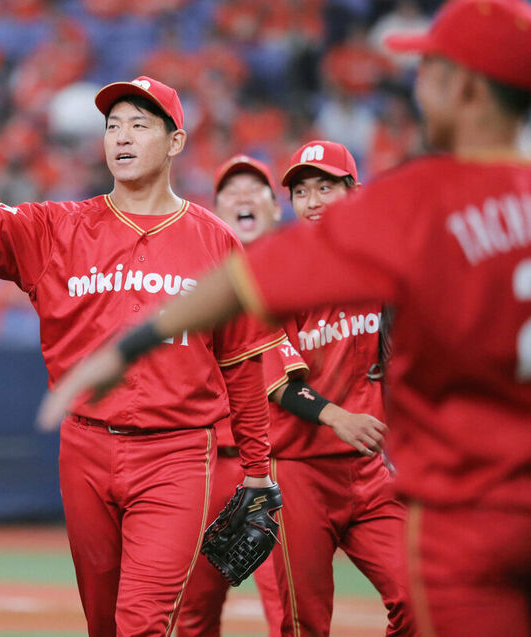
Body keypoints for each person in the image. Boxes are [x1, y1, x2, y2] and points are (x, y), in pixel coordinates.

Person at [40, 0, 531, 635]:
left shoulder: (416, 201)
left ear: (463, 85)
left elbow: (242, 282)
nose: (417, 84)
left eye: (430, 69)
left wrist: (128, 345)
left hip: (465, 518)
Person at [0, 40, 284, 636]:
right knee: (104, 624)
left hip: (177, 456)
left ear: (176, 142)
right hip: (84, 449)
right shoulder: (56, 228)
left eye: (141, 124)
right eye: (113, 125)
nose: (124, 137)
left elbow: (242, 363)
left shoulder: (215, 243)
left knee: (143, 623)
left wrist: (259, 472)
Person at [264, 141, 412, 636]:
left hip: (372, 474)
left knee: (422, 601)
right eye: (301, 191)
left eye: (326, 187)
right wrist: (338, 417)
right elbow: (277, 379)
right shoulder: (279, 274)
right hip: (301, 472)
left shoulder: (385, 271)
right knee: (306, 624)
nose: (312, 201)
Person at [176, 155, 286, 637]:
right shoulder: (199, 284)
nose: (243, 196)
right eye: (230, 191)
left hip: (290, 464)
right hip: (213, 460)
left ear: (276, 208)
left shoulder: (313, 275)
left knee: (291, 609)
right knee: (194, 607)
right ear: (214, 210)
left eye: (255, 188)